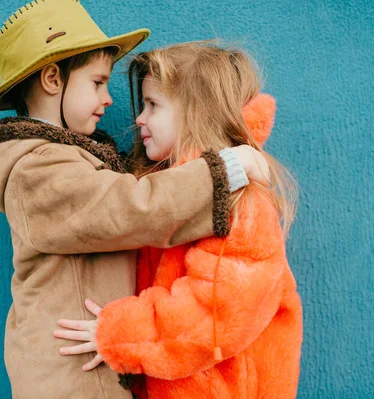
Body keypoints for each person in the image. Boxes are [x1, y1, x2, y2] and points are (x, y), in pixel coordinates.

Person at [54, 42, 302, 399]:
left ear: (196, 113)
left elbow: (214, 315)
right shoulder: (170, 192)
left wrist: (119, 334)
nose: (139, 118)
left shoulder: (241, 203)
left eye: (153, 105)